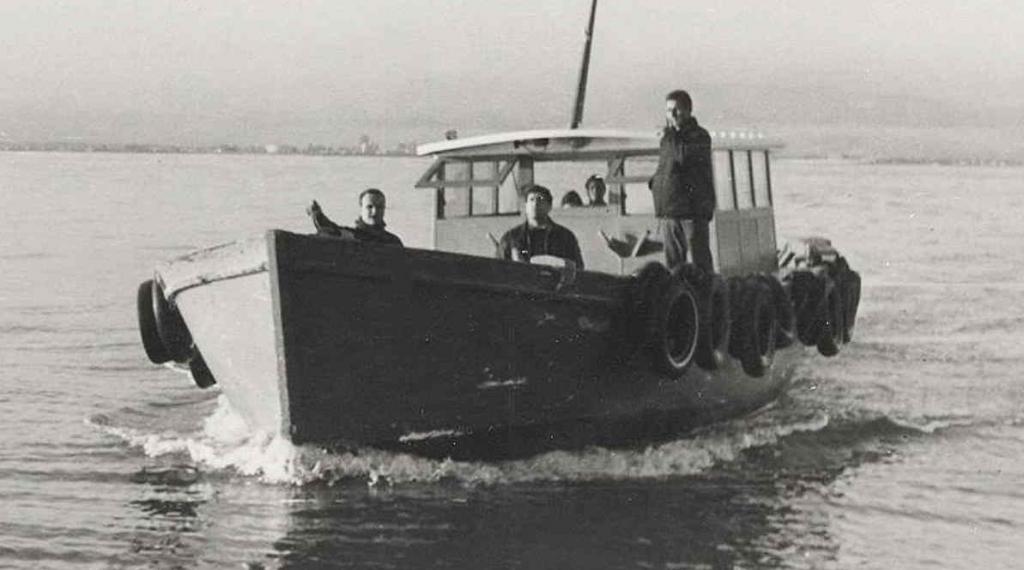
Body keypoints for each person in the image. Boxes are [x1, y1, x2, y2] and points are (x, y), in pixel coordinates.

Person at [649, 89, 714, 272]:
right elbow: (667, 166)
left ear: (688, 110)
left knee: (699, 261)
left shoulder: (699, 136)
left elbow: (683, 157)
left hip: (692, 210)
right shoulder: (669, 139)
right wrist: (655, 183)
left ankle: (704, 297)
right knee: (674, 265)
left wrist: (670, 135)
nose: (672, 114)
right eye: (668, 110)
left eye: (676, 109)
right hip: (671, 210)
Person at [497, 185, 584, 268]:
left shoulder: (565, 237)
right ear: (525, 206)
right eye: (531, 200)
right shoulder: (511, 238)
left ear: (549, 206)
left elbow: (578, 268)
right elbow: (499, 270)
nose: (535, 204)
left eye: (540, 199)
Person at [307, 188, 403, 246]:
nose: (374, 212)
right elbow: (330, 229)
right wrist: (317, 214)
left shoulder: (393, 241)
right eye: (369, 207)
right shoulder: (352, 236)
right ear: (361, 209)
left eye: (379, 207)